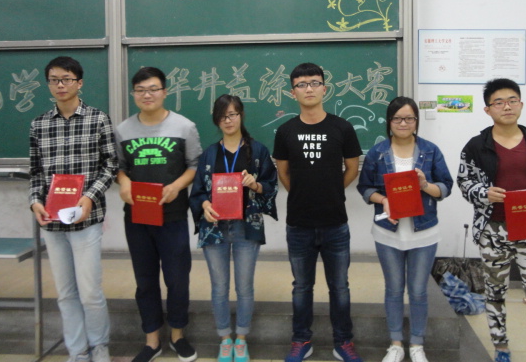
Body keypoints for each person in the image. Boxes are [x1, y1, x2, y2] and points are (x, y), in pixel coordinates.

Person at [457, 78, 526, 362]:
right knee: (495, 293)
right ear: (487, 109)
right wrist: (484, 193)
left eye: (512, 100)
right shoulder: (476, 146)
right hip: (492, 229)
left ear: (521, 104)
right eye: (499, 102)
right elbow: (464, 182)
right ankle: (501, 349)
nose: (507, 107)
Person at [29, 56, 118, 362]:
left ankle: (100, 346)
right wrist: (35, 201)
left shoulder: (98, 119)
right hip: (52, 222)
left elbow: (110, 165)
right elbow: (36, 172)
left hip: (86, 219)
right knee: (66, 293)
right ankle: (78, 351)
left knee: (90, 291)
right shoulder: (39, 124)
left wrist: (90, 196)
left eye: (66, 79)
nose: (60, 85)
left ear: (79, 83)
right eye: (54, 80)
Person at [272, 62, 363, 362]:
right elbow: (283, 173)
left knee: (340, 287)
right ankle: (301, 340)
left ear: (325, 88)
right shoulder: (286, 130)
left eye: (314, 82)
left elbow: (352, 168)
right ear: (292, 92)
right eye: (301, 84)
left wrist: (332, 191)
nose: (308, 88)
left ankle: (343, 342)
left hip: (335, 223)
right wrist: (304, 194)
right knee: (301, 287)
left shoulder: (342, 127)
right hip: (299, 224)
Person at [114, 67, 201, 362]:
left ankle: (177, 335)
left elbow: (194, 165)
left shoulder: (184, 127)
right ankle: (152, 340)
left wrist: (176, 186)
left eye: (153, 89)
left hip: (173, 217)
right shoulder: (123, 130)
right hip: (137, 217)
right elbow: (119, 167)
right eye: (140, 90)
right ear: (133, 94)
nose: (147, 95)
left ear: (164, 92)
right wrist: (124, 182)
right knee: (145, 280)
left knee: (177, 278)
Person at [357, 96, 453, 362]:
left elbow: (445, 187)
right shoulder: (377, 152)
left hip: (424, 232)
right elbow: (364, 188)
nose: (403, 123)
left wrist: (424, 185)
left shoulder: (430, 151)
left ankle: (417, 345)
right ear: (389, 122)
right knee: (394, 289)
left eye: (409, 118)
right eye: (398, 118)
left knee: (419, 290)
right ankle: (396, 343)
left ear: (416, 121)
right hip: (387, 232)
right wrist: (383, 200)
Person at [190, 94, 278, 362]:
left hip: (246, 228)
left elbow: (270, 186)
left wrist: (255, 184)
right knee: (219, 287)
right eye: (223, 116)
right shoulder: (209, 154)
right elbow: (198, 191)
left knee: (244, 286)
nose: (228, 120)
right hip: (215, 228)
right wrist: (205, 204)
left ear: (241, 116)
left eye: (233, 114)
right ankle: (224, 339)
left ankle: (241, 338)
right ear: (216, 120)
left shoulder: (258, 151)